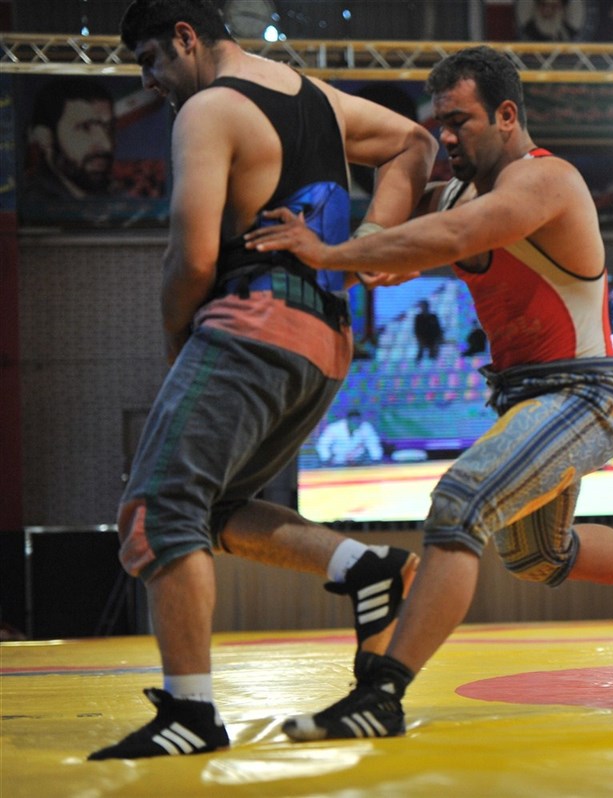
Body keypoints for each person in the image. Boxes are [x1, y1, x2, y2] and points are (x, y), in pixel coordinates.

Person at [244, 45, 613, 742]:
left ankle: (382, 695)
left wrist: (335, 253)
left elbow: (451, 235)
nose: (447, 138)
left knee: (459, 502)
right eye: (439, 125)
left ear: (507, 115)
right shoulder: (453, 190)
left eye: (460, 122)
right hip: (522, 398)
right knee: (537, 556)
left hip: (583, 396)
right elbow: (399, 208)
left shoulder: (547, 181)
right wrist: (390, 198)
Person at [89, 0, 437, 760]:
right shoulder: (316, 97)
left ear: (186, 38)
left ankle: (191, 714)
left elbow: (191, 259)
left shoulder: (210, 109)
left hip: (251, 327)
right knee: (213, 510)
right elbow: (416, 141)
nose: (148, 82)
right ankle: (363, 568)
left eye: (148, 61)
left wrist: (177, 338)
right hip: (326, 346)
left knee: (157, 511)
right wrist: (373, 239)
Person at [23, 77, 116, 200]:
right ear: (45, 137)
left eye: (109, 128)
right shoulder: (31, 203)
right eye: (85, 127)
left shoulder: (114, 195)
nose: (107, 144)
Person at [317, 409, 384, 466]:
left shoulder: (366, 427)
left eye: (358, 421)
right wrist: (326, 459)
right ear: (348, 421)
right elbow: (322, 445)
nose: (357, 424)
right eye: (354, 421)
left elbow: (373, 444)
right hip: (338, 463)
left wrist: (376, 458)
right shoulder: (334, 428)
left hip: (358, 462)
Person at [412, 298, 443, 363]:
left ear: (428, 306)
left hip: (433, 339)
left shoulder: (433, 317)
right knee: (421, 350)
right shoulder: (418, 317)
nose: (423, 308)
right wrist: (420, 339)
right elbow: (416, 330)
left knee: (433, 352)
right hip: (422, 339)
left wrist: (437, 340)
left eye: (425, 306)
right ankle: (418, 361)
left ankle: (433, 359)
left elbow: (438, 329)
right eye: (422, 306)